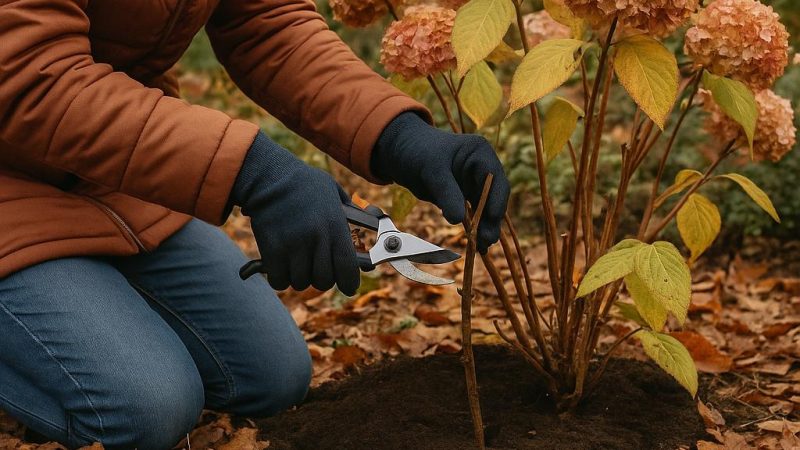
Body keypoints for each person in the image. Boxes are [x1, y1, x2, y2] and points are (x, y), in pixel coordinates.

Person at [0, 0, 510, 448]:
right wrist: (254, 172)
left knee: (269, 377)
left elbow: (268, 25)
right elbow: (31, 75)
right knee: (145, 411)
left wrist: (397, 135)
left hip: (121, 175)